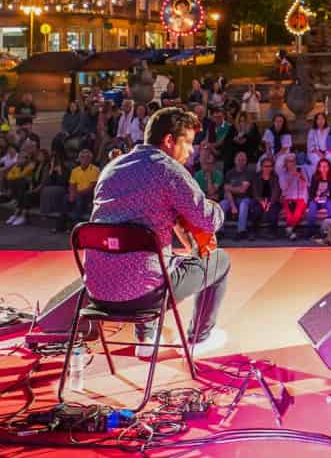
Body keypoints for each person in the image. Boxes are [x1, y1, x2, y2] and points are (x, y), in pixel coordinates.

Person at [74, 107, 231, 356]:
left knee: (144, 252)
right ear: (169, 140)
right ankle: (198, 338)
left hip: (97, 293)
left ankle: (145, 337)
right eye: (188, 143)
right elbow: (208, 221)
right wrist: (215, 206)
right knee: (219, 261)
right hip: (145, 296)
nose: (191, 151)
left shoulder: (110, 169)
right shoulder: (168, 170)